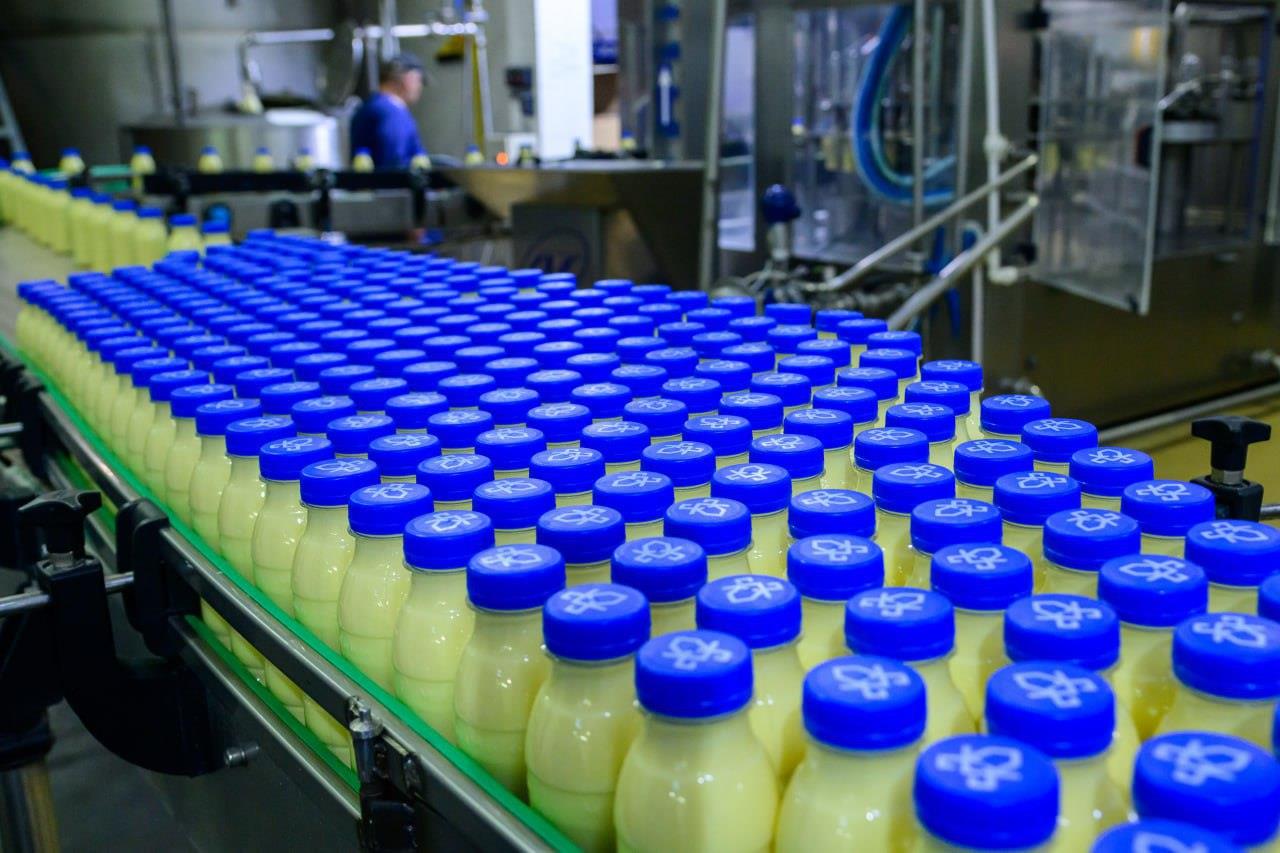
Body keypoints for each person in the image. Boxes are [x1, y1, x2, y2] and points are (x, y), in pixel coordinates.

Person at [349, 53, 428, 168]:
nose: (420, 87)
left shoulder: (369, 106)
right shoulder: (391, 112)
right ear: (408, 78)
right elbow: (394, 159)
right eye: (419, 80)